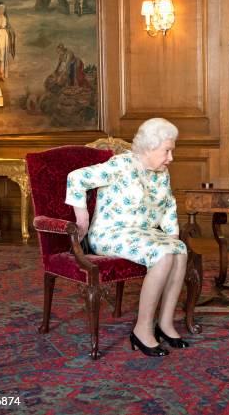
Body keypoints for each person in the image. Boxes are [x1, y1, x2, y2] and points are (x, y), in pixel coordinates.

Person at [65, 118, 189, 357]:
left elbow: (168, 205)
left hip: (142, 234)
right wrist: (82, 220)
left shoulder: (161, 173)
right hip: (111, 233)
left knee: (179, 251)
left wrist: (173, 237)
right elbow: (76, 178)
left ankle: (164, 324)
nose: (171, 157)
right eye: (167, 151)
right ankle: (142, 329)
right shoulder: (120, 165)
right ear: (150, 147)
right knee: (164, 255)